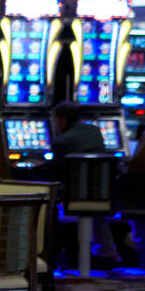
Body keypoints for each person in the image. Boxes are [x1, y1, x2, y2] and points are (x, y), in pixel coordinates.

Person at [50, 101, 121, 266]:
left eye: (55, 120)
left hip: (75, 195)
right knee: (95, 209)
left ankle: (56, 254)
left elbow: (56, 172)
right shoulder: (95, 131)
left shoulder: (62, 141)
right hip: (103, 194)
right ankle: (107, 251)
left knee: (50, 197)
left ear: (61, 119)